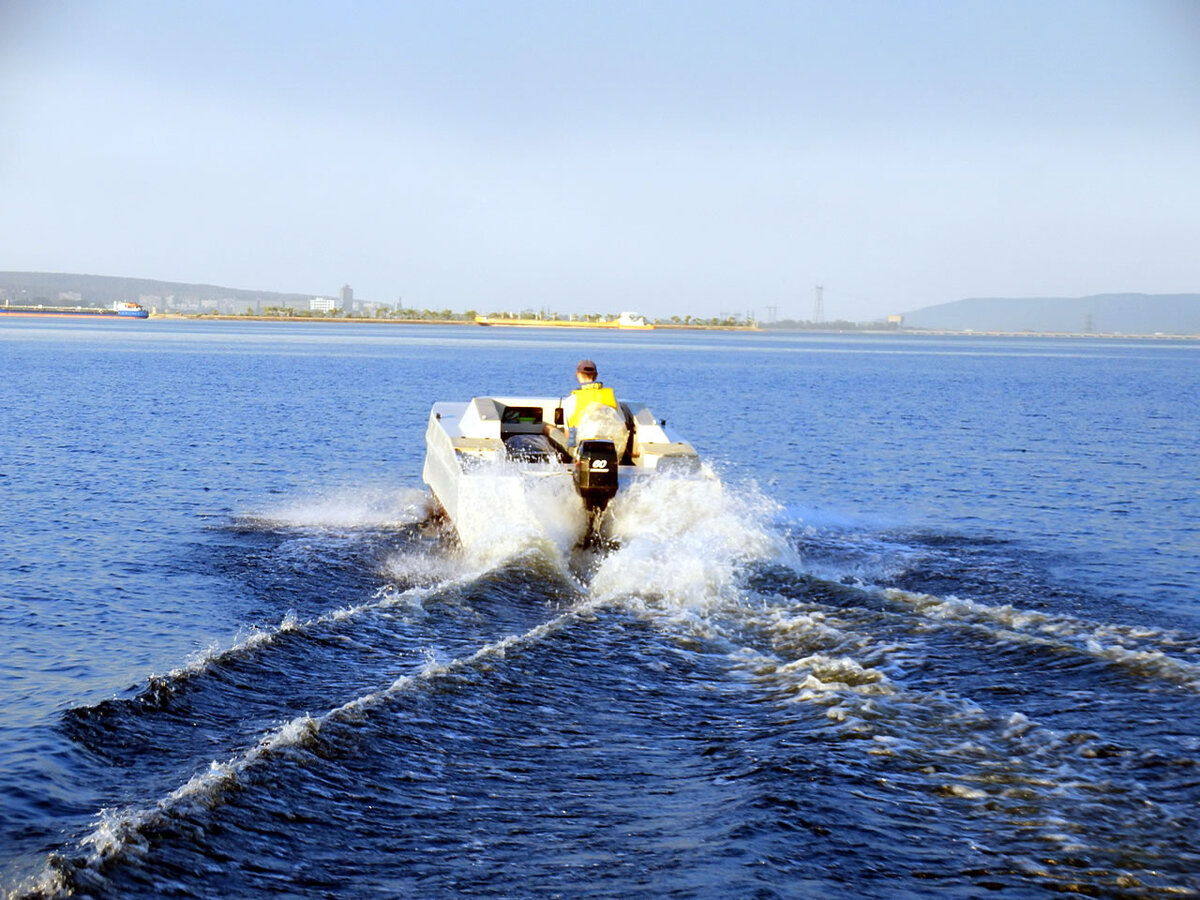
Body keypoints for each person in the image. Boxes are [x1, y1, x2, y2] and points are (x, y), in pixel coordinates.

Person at [564, 359, 628, 457]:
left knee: (548, 429)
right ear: (596, 375)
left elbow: (568, 433)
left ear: (577, 374)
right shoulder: (610, 396)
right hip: (611, 451)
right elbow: (622, 423)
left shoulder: (572, 399)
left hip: (581, 452)